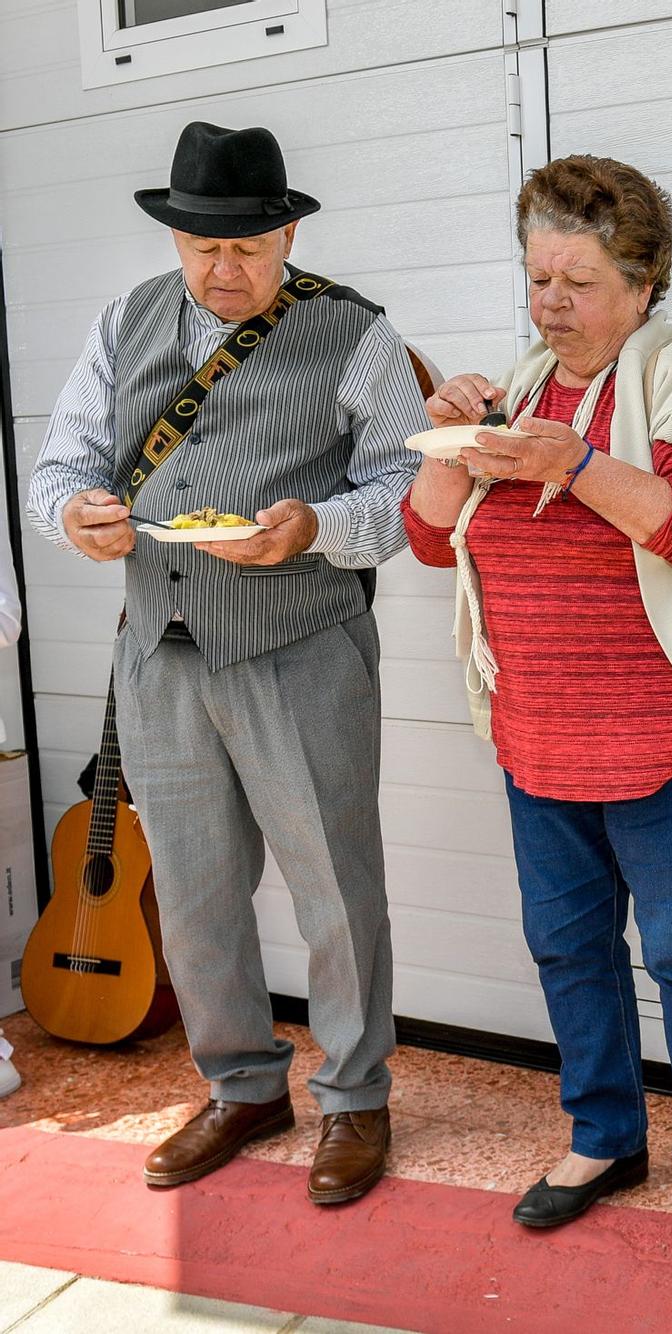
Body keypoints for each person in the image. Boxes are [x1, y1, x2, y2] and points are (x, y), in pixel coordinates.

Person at [402, 155, 672, 1284]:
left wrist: (575, 463)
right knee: (569, 947)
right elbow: (432, 540)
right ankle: (604, 1137)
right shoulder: (521, 385)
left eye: (576, 280)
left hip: (663, 736)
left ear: (640, 281)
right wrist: (443, 444)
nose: (549, 304)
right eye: (536, 277)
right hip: (537, 734)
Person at [28, 121, 424, 1202]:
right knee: (195, 891)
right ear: (174, 236)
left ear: (287, 228)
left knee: (337, 890)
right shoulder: (125, 324)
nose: (223, 266)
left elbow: (405, 496)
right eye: (201, 245)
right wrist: (80, 514)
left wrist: (315, 529)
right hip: (158, 652)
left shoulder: (354, 331)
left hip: (300, 644)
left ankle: (354, 1096)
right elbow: (56, 464)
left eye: (247, 244)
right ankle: (241, 1084)